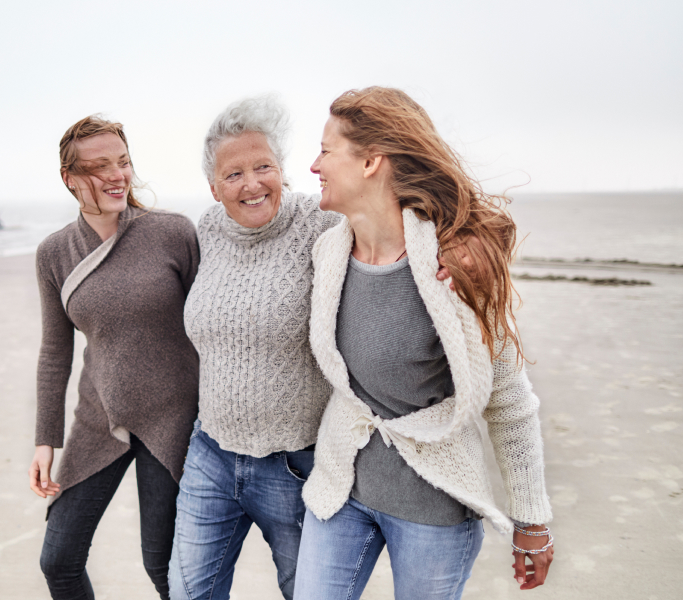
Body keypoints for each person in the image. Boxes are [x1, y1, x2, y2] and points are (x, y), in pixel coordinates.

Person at [168, 96, 466, 600]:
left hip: (294, 463)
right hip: (210, 452)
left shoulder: (323, 226)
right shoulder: (208, 232)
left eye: (263, 166)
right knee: (189, 592)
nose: (252, 183)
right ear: (213, 187)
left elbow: (396, 217)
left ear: (282, 171)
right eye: (234, 174)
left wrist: (465, 241)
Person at [295, 87, 554, 600]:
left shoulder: (454, 266)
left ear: (372, 161)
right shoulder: (328, 248)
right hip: (340, 489)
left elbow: (508, 402)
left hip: (434, 508)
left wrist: (532, 520)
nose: (311, 165)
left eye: (325, 151)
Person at [29, 115, 200, 600]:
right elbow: (54, 352)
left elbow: (213, 322)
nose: (117, 175)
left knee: (164, 568)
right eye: (99, 167)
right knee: (59, 560)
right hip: (99, 417)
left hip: (174, 421)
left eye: (123, 162)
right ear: (71, 179)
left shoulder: (172, 233)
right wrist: (46, 440)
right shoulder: (54, 253)